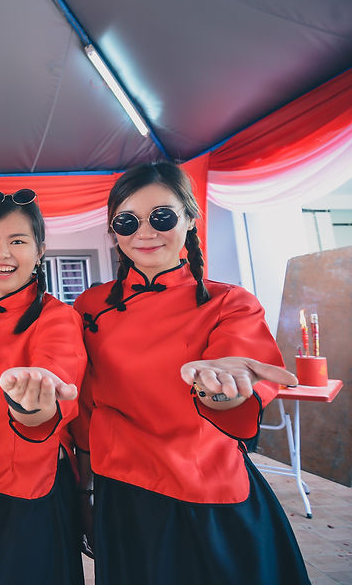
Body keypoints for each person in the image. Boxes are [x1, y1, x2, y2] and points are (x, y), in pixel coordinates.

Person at [71, 162, 309, 584]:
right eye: (127, 222)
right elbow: (86, 407)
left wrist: (222, 388)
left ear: (190, 219)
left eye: (161, 217)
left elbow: (233, 376)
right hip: (124, 494)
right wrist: (85, 493)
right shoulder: (90, 307)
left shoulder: (228, 302)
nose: (144, 233)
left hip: (208, 490)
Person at [0, 188, 87, 585]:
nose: (1, 253)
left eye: (18, 241)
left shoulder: (57, 318)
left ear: (40, 251)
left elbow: (53, 374)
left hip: (30, 484)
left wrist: (34, 400)